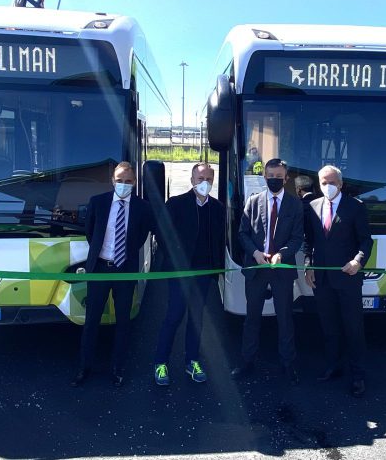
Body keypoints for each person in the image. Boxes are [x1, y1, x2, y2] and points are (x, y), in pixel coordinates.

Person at [73, 161, 157, 388]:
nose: (123, 184)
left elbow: (143, 235)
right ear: (112, 181)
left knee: (123, 322)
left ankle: (117, 368)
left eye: (128, 181)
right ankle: (84, 368)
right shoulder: (98, 203)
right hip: (100, 269)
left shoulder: (142, 207)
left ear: (134, 182)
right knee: (91, 321)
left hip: (125, 271)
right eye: (119, 180)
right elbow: (90, 233)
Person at [151, 162, 225, 385]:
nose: (205, 183)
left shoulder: (218, 208)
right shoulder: (176, 204)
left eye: (209, 179)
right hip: (180, 272)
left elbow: (219, 240)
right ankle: (160, 362)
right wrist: (175, 258)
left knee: (196, 318)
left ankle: (192, 361)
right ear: (192, 180)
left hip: (204, 273)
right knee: (174, 315)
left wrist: (217, 270)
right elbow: (161, 233)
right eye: (200, 178)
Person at [232, 158, 304, 384]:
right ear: (264, 177)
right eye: (270, 176)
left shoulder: (295, 205)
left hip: (282, 269)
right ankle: (247, 361)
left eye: (278, 177)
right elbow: (242, 233)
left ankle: (288, 364)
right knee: (252, 318)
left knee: (285, 319)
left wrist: (282, 254)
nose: (274, 180)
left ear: (286, 178)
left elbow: (297, 237)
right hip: (257, 268)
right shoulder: (253, 202)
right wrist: (255, 253)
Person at [303, 165, 372, 398]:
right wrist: (308, 265)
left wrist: (357, 261)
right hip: (322, 280)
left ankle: (358, 375)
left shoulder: (355, 207)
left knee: (353, 328)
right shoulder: (312, 206)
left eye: (332, 182)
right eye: (323, 182)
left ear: (341, 184)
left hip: (348, 279)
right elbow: (309, 241)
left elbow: (366, 241)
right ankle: (333, 366)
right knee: (329, 327)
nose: (327, 186)